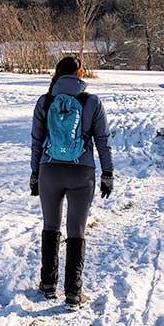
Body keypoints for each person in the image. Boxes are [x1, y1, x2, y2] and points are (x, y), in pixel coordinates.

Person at [29, 56, 113, 307]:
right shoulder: (92, 102)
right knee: (76, 229)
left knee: (50, 226)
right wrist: (107, 174)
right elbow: (103, 142)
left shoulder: (45, 101)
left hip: (49, 170)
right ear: (79, 73)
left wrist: (35, 174)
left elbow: (36, 141)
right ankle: (73, 292)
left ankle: (47, 284)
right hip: (81, 171)